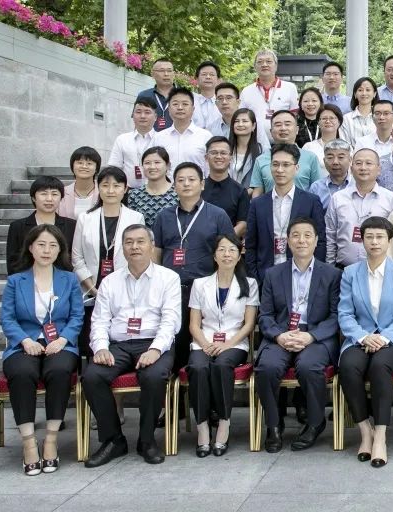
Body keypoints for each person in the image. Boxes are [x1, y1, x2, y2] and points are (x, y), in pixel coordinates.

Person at [82, 224, 181, 467]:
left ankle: (147, 440)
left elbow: (170, 320)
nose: (134, 247)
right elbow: (100, 320)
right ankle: (113, 440)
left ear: (151, 246)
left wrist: (155, 349)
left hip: (154, 342)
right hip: (119, 344)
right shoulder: (110, 281)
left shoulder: (168, 278)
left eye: (140, 241)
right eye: (128, 242)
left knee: (154, 376)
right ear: (122, 248)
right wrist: (101, 348)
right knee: (92, 376)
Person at [0, 225, 83, 475]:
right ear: (30, 247)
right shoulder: (16, 281)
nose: (47, 250)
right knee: (22, 373)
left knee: (59, 371)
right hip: (24, 344)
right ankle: (28, 442)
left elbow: (77, 316)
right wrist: (25, 341)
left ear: (60, 250)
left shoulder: (69, 279)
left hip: (60, 344)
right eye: (41, 245)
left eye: (52, 245)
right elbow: (7, 319)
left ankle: (51, 440)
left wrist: (64, 339)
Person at [255, 217, 343, 453]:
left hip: (315, 336)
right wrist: (279, 336)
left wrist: (311, 336)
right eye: (295, 235)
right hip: (282, 334)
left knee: (309, 367)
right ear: (287, 241)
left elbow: (336, 316)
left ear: (316, 241)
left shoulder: (332, 274)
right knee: (267, 367)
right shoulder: (273, 274)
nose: (301, 240)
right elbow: (265, 315)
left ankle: (315, 422)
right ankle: (274, 425)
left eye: (307, 235)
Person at [338, 216, 393, 467]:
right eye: (369, 237)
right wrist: (363, 336)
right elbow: (345, 313)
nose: (374, 242)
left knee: (380, 366)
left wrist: (383, 338)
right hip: (360, 337)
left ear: (389, 240)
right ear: (362, 240)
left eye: (380, 237)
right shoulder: (350, 273)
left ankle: (380, 436)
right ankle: (365, 432)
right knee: (348, 366)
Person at [151, 162, 236, 369]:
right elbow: (156, 254)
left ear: (202, 184)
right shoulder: (164, 216)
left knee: (202, 346)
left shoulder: (218, 215)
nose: (186, 184)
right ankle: (176, 389)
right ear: (174, 186)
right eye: (180, 180)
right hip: (171, 289)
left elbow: (229, 251)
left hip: (206, 290)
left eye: (191, 179)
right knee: (176, 343)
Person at [186, 234, 259, 457]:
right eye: (222, 250)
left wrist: (227, 344)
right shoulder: (200, 284)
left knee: (221, 366)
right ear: (214, 255)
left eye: (232, 250)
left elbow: (249, 324)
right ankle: (202, 427)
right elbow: (194, 324)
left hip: (234, 342)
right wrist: (206, 344)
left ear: (239, 255)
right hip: (204, 341)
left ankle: (224, 423)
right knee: (198, 368)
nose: (227, 254)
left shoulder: (250, 284)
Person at [245, 144, 328, 283]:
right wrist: (255, 278)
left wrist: (314, 276)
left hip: (302, 275)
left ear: (296, 168)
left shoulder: (311, 201)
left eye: (286, 165)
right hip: (266, 276)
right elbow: (251, 245)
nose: (280, 170)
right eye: (275, 164)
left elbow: (320, 242)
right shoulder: (257, 204)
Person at [73, 167, 146, 301]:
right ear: (98, 188)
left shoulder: (136, 218)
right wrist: (92, 289)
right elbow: (77, 257)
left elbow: (139, 254)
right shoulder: (85, 218)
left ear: (125, 189)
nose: (110, 191)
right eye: (105, 185)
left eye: (116, 186)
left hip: (126, 290)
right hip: (90, 290)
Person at [326, 148, 393, 267]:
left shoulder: (391, 199)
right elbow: (330, 235)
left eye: (368, 163)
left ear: (378, 169)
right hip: (342, 268)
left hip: (380, 269)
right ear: (351, 169)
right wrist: (330, 266)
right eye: (358, 163)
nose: (363, 168)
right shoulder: (338, 198)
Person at [6, 176, 76, 275]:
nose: (49, 199)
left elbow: (73, 259)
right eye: (44, 194)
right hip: (27, 281)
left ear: (61, 198)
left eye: (54, 194)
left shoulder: (71, 226)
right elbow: (13, 262)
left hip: (62, 281)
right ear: (33, 198)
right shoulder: (17, 227)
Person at [249, 110, 325, 196]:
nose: (283, 128)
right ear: (271, 132)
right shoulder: (261, 160)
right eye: (278, 125)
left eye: (287, 124)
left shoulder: (310, 158)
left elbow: (318, 190)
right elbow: (257, 193)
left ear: (297, 130)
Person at [239, 49, 299, 149]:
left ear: (276, 66)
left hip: (284, 143)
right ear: (255, 67)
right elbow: (242, 117)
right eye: (260, 62)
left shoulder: (290, 88)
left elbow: (295, 116)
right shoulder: (246, 91)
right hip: (255, 144)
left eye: (268, 61)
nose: (264, 64)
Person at [153, 87, 212, 173]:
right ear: (169, 109)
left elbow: (210, 169)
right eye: (175, 104)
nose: (180, 108)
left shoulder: (206, 137)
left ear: (193, 109)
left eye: (185, 104)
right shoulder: (158, 138)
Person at [202, 137, 250, 237]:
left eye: (223, 153)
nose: (219, 156)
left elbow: (243, 224)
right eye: (214, 153)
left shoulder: (240, 191)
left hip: (229, 243)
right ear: (206, 157)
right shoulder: (197, 188)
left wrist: (224, 240)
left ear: (230, 158)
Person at [109, 98, 158, 188]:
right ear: (132, 115)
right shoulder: (122, 139)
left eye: (147, 112)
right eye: (138, 112)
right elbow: (114, 168)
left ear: (155, 117)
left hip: (157, 191)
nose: (142, 116)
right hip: (128, 190)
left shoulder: (162, 139)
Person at [308, 139, 354, 211]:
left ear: (350, 160)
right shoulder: (316, 187)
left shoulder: (358, 184)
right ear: (324, 161)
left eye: (341, 157)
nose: (335, 162)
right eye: (330, 158)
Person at [58, 146, 101, 220]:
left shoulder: (103, 191)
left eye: (89, 163)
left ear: (96, 168)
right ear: (72, 166)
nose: (84, 166)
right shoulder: (62, 193)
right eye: (80, 163)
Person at [227, 108, 263, 189]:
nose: (240, 124)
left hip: (250, 195)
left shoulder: (261, 150)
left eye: (245, 121)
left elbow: (260, 183)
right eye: (236, 121)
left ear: (253, 126)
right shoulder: (225, 149)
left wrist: (244, 194)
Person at [136, 58, 174, 131]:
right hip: (150, 137)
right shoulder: (144, 95)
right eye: (161, 71)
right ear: (153, 74)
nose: (166, 74)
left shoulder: (183, 95)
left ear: (173, 74)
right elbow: (138, 122)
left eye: (169, 71)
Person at [340, 77, 378, 143]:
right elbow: (344, 144)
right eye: (360, 90)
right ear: (355, 94)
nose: (364, 93)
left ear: (374, 94)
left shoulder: (380, 117)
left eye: (368, 90)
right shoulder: (346, 119)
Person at [192, 61, 223, 137]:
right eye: (204, 74)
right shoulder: (190, 100)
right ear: (197, 79)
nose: (208, 77)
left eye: (212, 74)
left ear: (218, 80)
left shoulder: (224, 102)